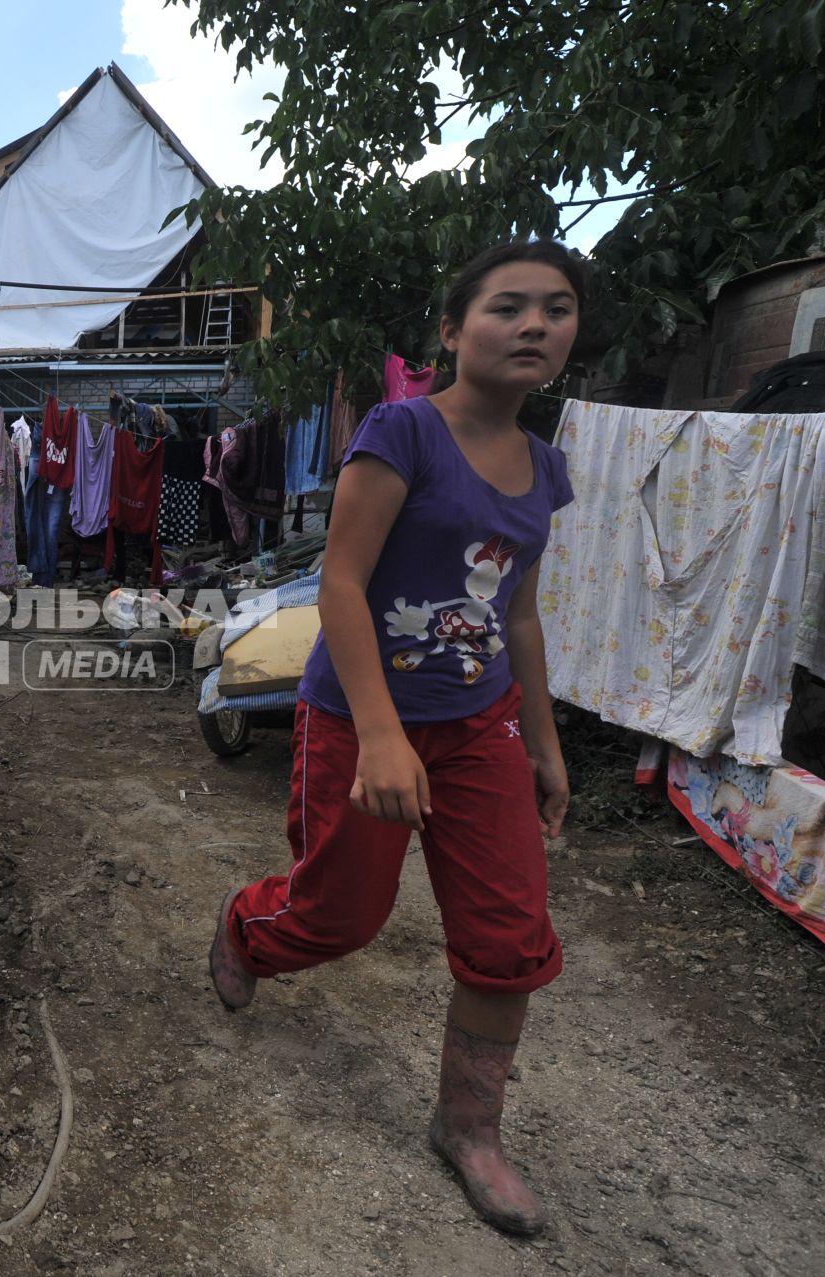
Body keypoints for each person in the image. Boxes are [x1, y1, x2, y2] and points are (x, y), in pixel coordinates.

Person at [206, 240, 584, 1236]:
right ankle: (249, 923)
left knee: (509, 935)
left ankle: (469, 1128)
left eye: (557, 308)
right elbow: (338, 582)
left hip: (480, 725)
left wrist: (543, 740)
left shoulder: (547, 470)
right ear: (455, 333)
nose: (536, 324)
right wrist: (379, 733)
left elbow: (524, 614)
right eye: (508, 307)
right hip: (359, 717)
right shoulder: (401, 431)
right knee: (341, 915)